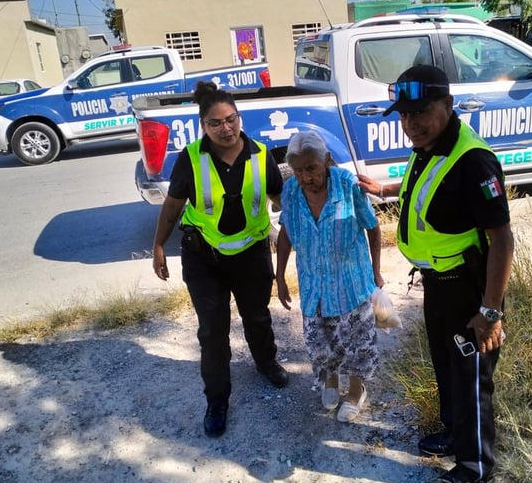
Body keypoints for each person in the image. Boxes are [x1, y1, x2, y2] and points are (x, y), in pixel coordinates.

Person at [357, 65, 514, 483]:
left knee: (472, 377)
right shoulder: (428, 147)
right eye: (404, 116)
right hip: (438, 284)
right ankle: (453, 431)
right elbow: (420, 191)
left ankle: (475, 468)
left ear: (448, 104)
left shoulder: (473, 162)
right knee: (446, 366)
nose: (411, 124)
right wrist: (385, 189)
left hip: (469, 288)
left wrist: (490, 311)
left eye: (421, 112)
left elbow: (502, 240)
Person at [152, 81, 289, 438]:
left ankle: (266, 363)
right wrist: (158, 246)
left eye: (231, 119)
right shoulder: (191, 158)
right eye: (216, 123)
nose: (226, 128)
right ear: (203, 126)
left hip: (252, 256)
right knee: (213, 332)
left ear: (239, 118)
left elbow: (281, 199)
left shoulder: (261, 154)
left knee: (257, 317)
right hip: (204, 258)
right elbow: (173, 206)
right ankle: (217, 400)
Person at [275, 130, 384, 423]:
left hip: (351, 284)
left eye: (311, 168)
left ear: (326, 160)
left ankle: (356, 392)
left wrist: (375, 271)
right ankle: (331, 382)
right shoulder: (291, 192)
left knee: (357, 342)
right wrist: (280, 275)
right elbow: (285, 233)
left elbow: (372, 227)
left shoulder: (347, 185)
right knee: (320, 342)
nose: (305, 177)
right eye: (299, 171)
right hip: (314, 286)